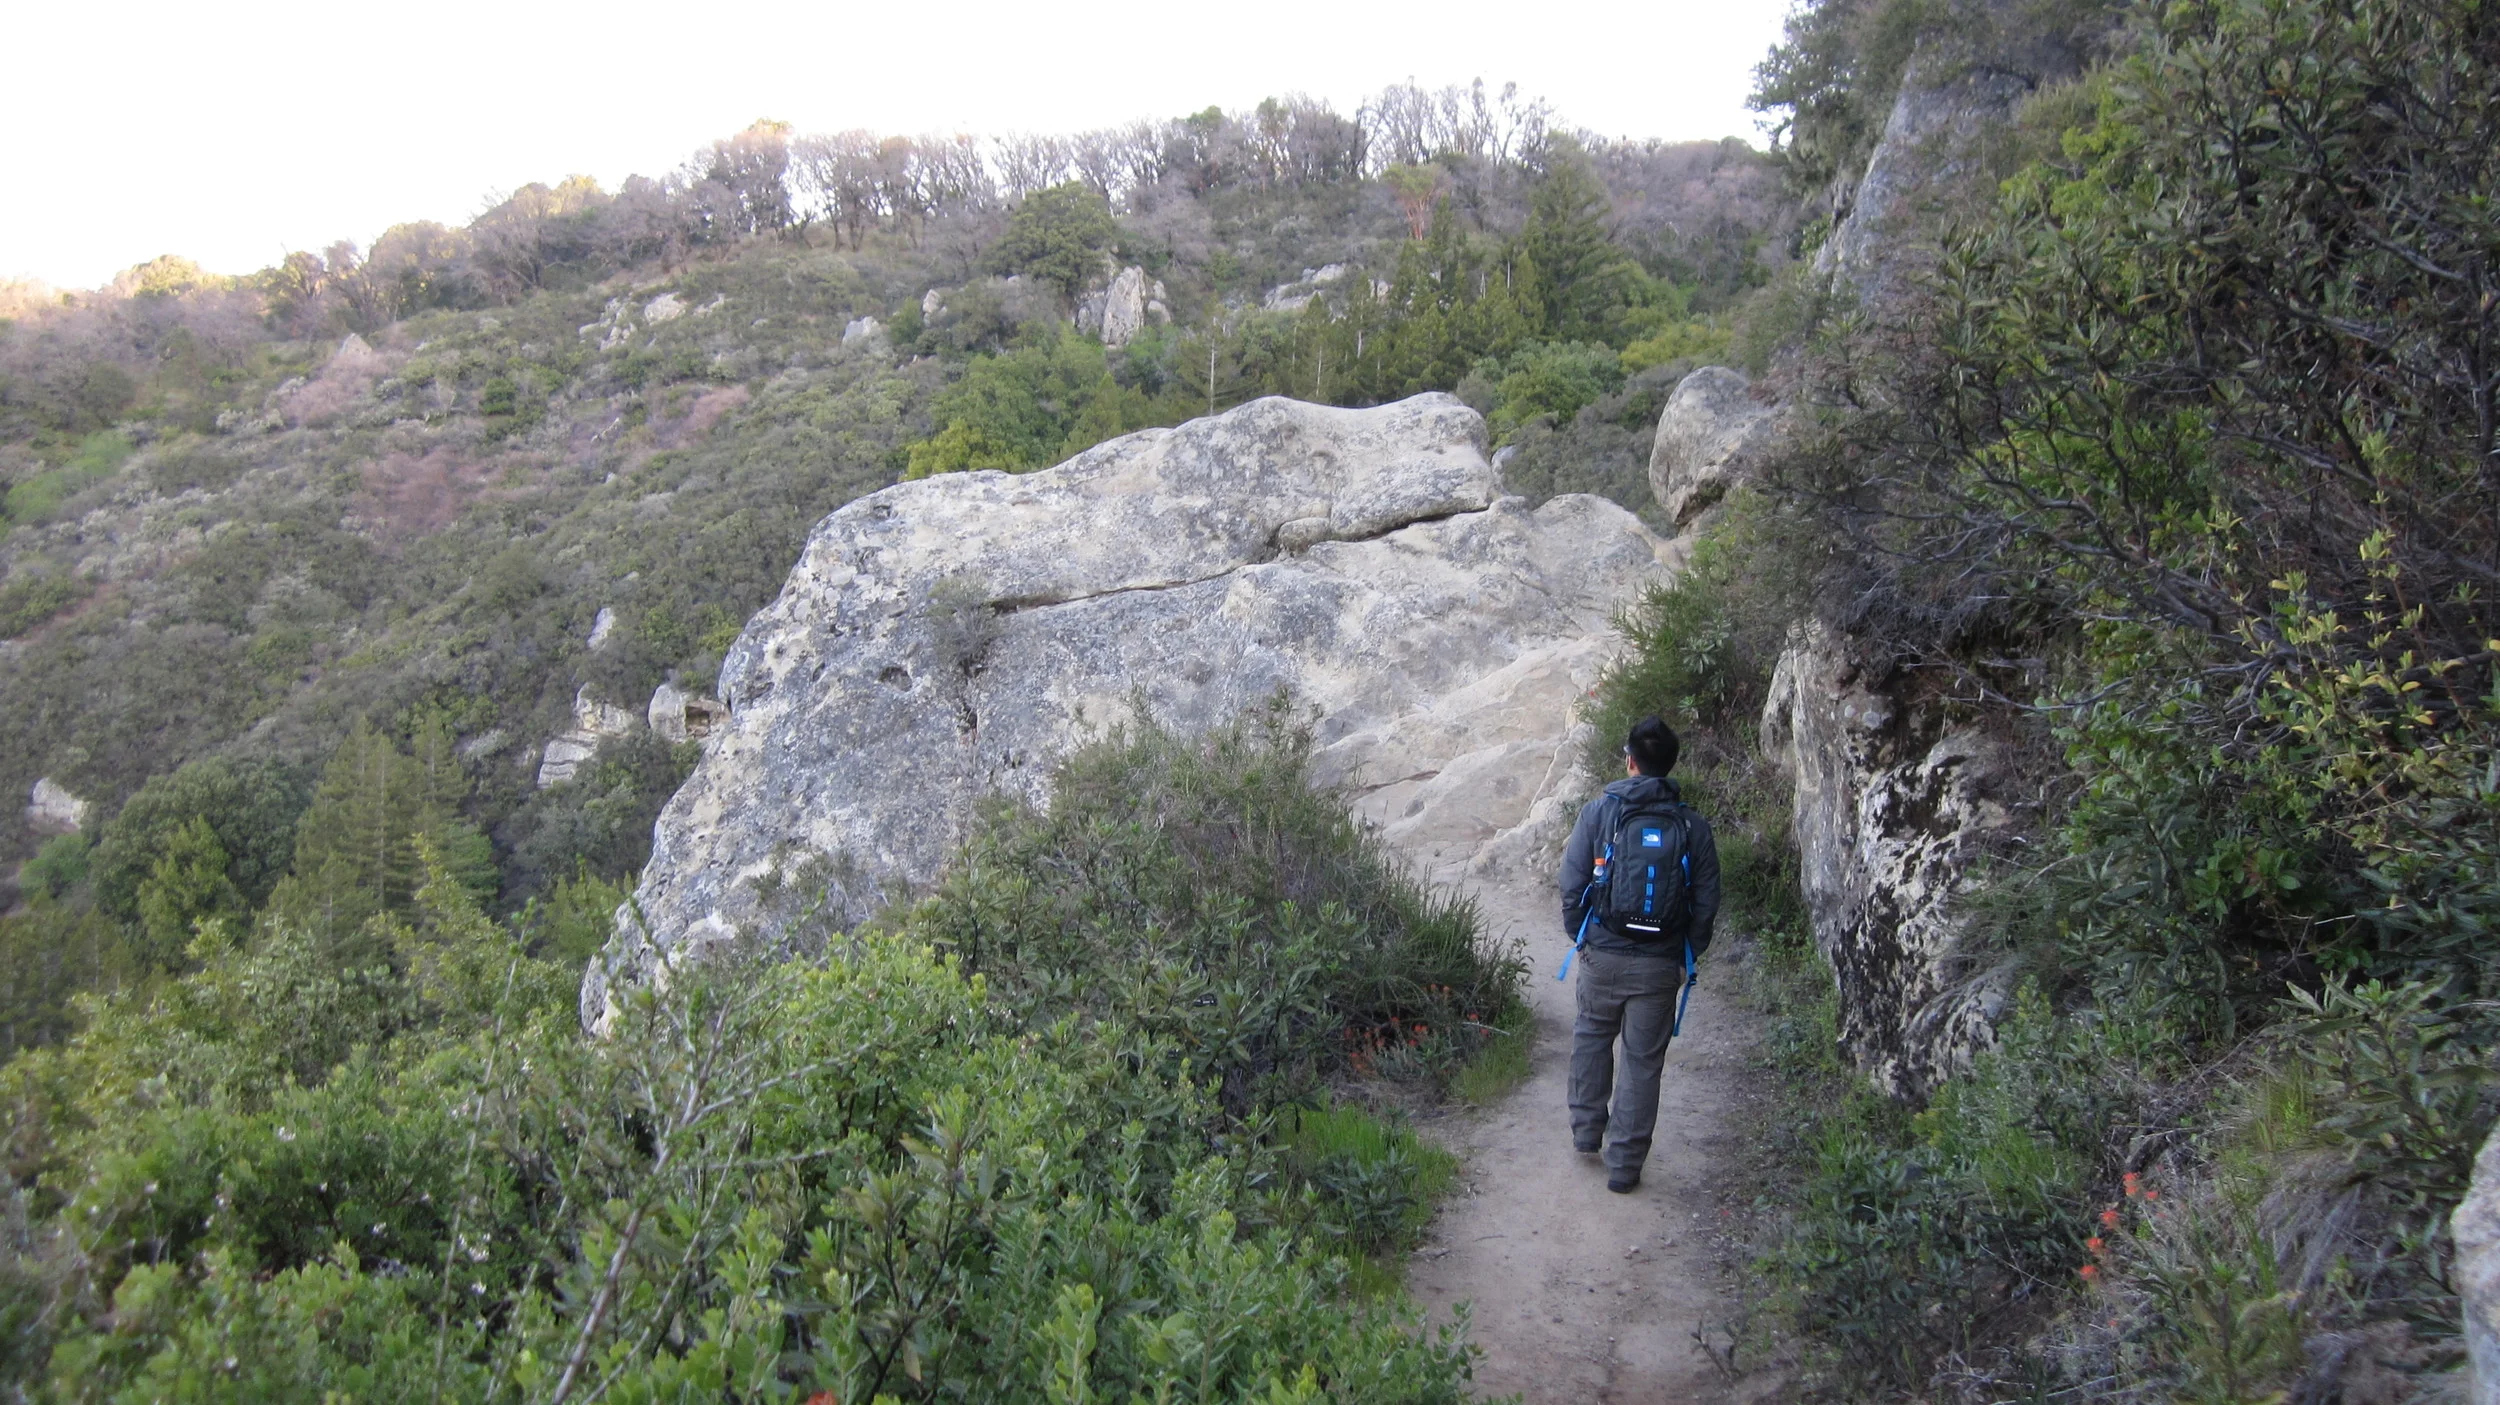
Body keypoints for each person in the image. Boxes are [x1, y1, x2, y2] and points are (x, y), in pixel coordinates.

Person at [1559, 715, 1720, 1192]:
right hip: (1659, 963)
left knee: (1591, 1037)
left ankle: (1587, 1134)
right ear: (1669, 766)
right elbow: (1706, 902)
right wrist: (1684, 954)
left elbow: (1572, 884)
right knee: (1643, 1062)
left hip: (1602, 954)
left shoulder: (1597, 813)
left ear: (1629, 761)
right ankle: (1625, 1167)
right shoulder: (1692, 825)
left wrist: (1582, 938)